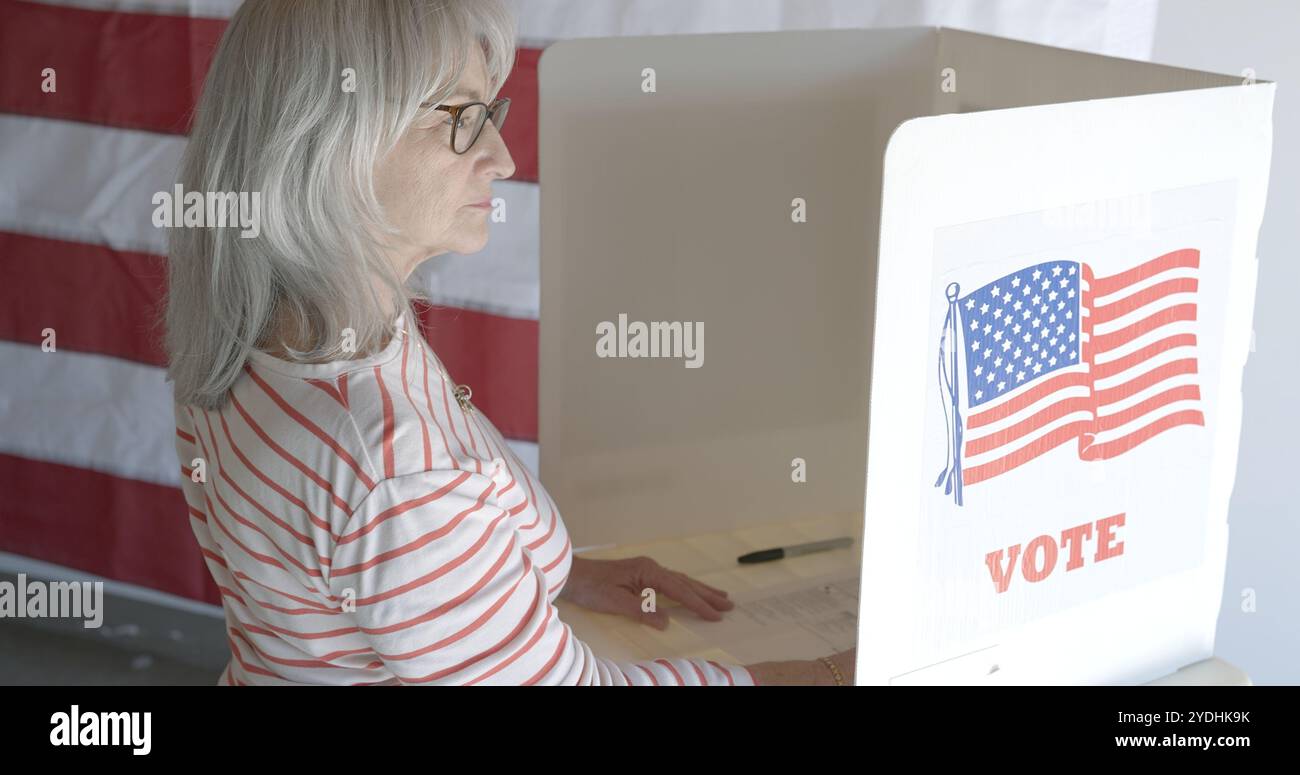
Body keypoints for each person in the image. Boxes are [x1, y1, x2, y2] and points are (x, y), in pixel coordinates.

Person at [162, 0, 855, 685]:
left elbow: (418, 505)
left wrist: (549, 570)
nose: (502, 156)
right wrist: (830, 673)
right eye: (461, 118)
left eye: (488, 114)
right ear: (335, 138)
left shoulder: (260, 327)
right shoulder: (397, 471)